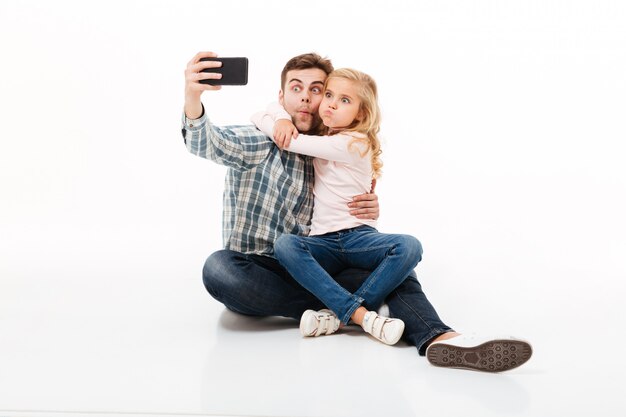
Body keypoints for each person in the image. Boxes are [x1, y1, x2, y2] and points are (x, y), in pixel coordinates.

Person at [182, 51, 532, 372]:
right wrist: (194, 98)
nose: (306, 97)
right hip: (261, 271)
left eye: (318, 90)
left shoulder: (327, 146)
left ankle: (436, 338)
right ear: (281, 96)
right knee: (218, 268)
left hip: (317, 264)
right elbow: (207, 140)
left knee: (398, 266)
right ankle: (361, 312)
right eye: (296, 88)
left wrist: (367, 207)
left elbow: (344, 190)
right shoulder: (260, 139)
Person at [250, 68, 422, 346]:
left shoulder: (354, 142)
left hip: (358, 237)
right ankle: (362, 315)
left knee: (409, 246)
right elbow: (264, 111)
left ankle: (338, 315)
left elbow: (282, 134)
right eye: (329, 95)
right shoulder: (324, 137)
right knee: (285, 246)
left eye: (344, 100)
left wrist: (278, 123)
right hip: (322, 242)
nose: (330, 103)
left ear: (361, 114)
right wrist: (281, 116)